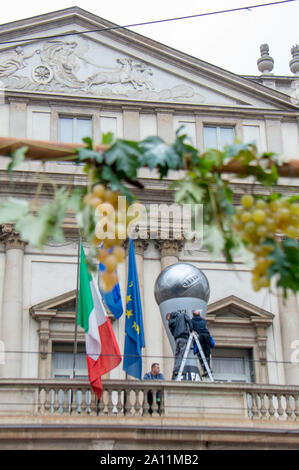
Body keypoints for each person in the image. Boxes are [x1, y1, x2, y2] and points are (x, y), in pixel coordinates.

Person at [166, 310, 192, 380]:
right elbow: (189, 320)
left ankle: (175, 368)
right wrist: (191, 331)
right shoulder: (182, 315)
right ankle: (178, 369)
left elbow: (172, 332)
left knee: (177, 354)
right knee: (181, 353)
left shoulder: (170, 322)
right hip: (183, 336)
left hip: (177, 338)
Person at [191, 310, 212, 377]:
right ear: (200, 315)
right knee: (207, 353)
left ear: (193, 315)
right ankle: (208, 368)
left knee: (201, 354)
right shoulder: (203, 320)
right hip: (207, 336)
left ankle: (205, 369)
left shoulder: (192, 321)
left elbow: (191, 330)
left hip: (200, 337)